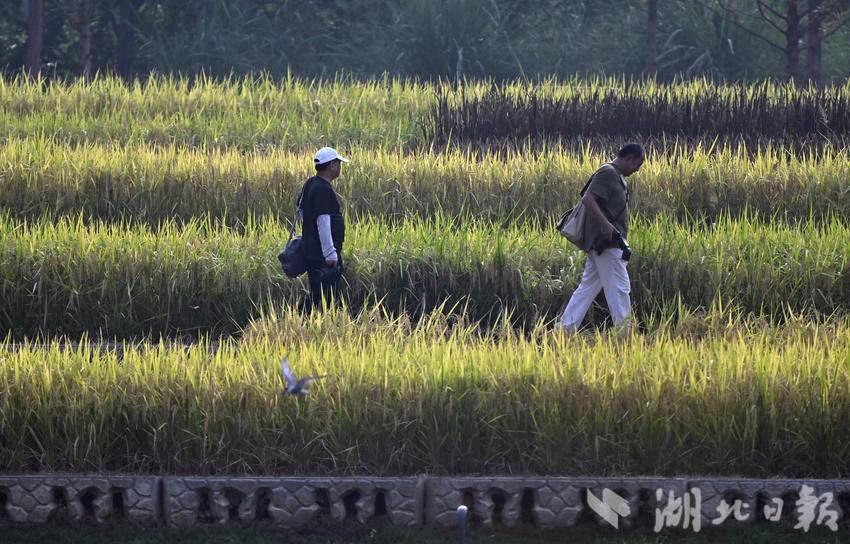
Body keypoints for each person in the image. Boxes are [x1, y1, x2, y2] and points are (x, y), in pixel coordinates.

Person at [556, 143, 645, 334]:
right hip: (607, 243)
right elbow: (588, 199)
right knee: (620, 288)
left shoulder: (617, 176)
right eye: (638, 164)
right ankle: (624, 334)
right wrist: (606, 226)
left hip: (606, 243)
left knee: (587, 289)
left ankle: (563, 331)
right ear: (629, 157)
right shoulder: (608, 173)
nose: (637, 169)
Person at [299, 147, 348, 312]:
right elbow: (323, 222)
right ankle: (306, 319)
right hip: (322, 255)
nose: (340, 167)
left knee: (317, 293)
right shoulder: (322, 189)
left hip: (312, 250)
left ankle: (303, 319)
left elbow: (301, 212)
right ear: (332, 165)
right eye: (338, 163)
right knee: (326, 297)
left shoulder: (311, 183)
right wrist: (330, 253)